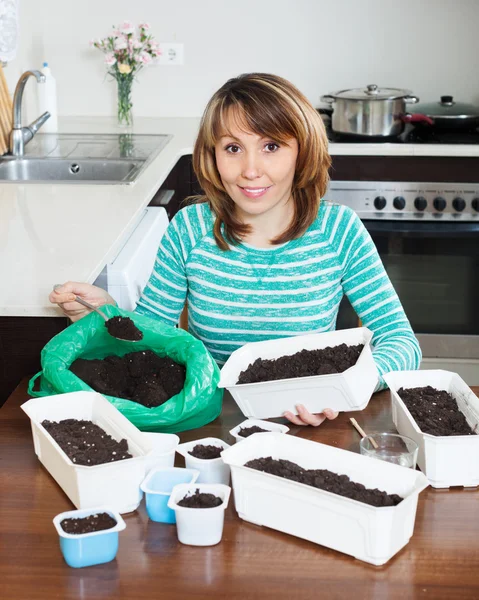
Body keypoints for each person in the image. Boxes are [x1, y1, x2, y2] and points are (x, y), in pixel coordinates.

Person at [50, 72, 422, 427]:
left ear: (302, 151)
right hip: (211, 417)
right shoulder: (190, 229)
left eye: (271, 146)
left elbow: (401, 341)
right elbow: (156, 339)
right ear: (212, 156)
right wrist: (104, 314)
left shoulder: (338, 231)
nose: (250, 169)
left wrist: (341, 389)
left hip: (310, 424)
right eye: (232, 148)